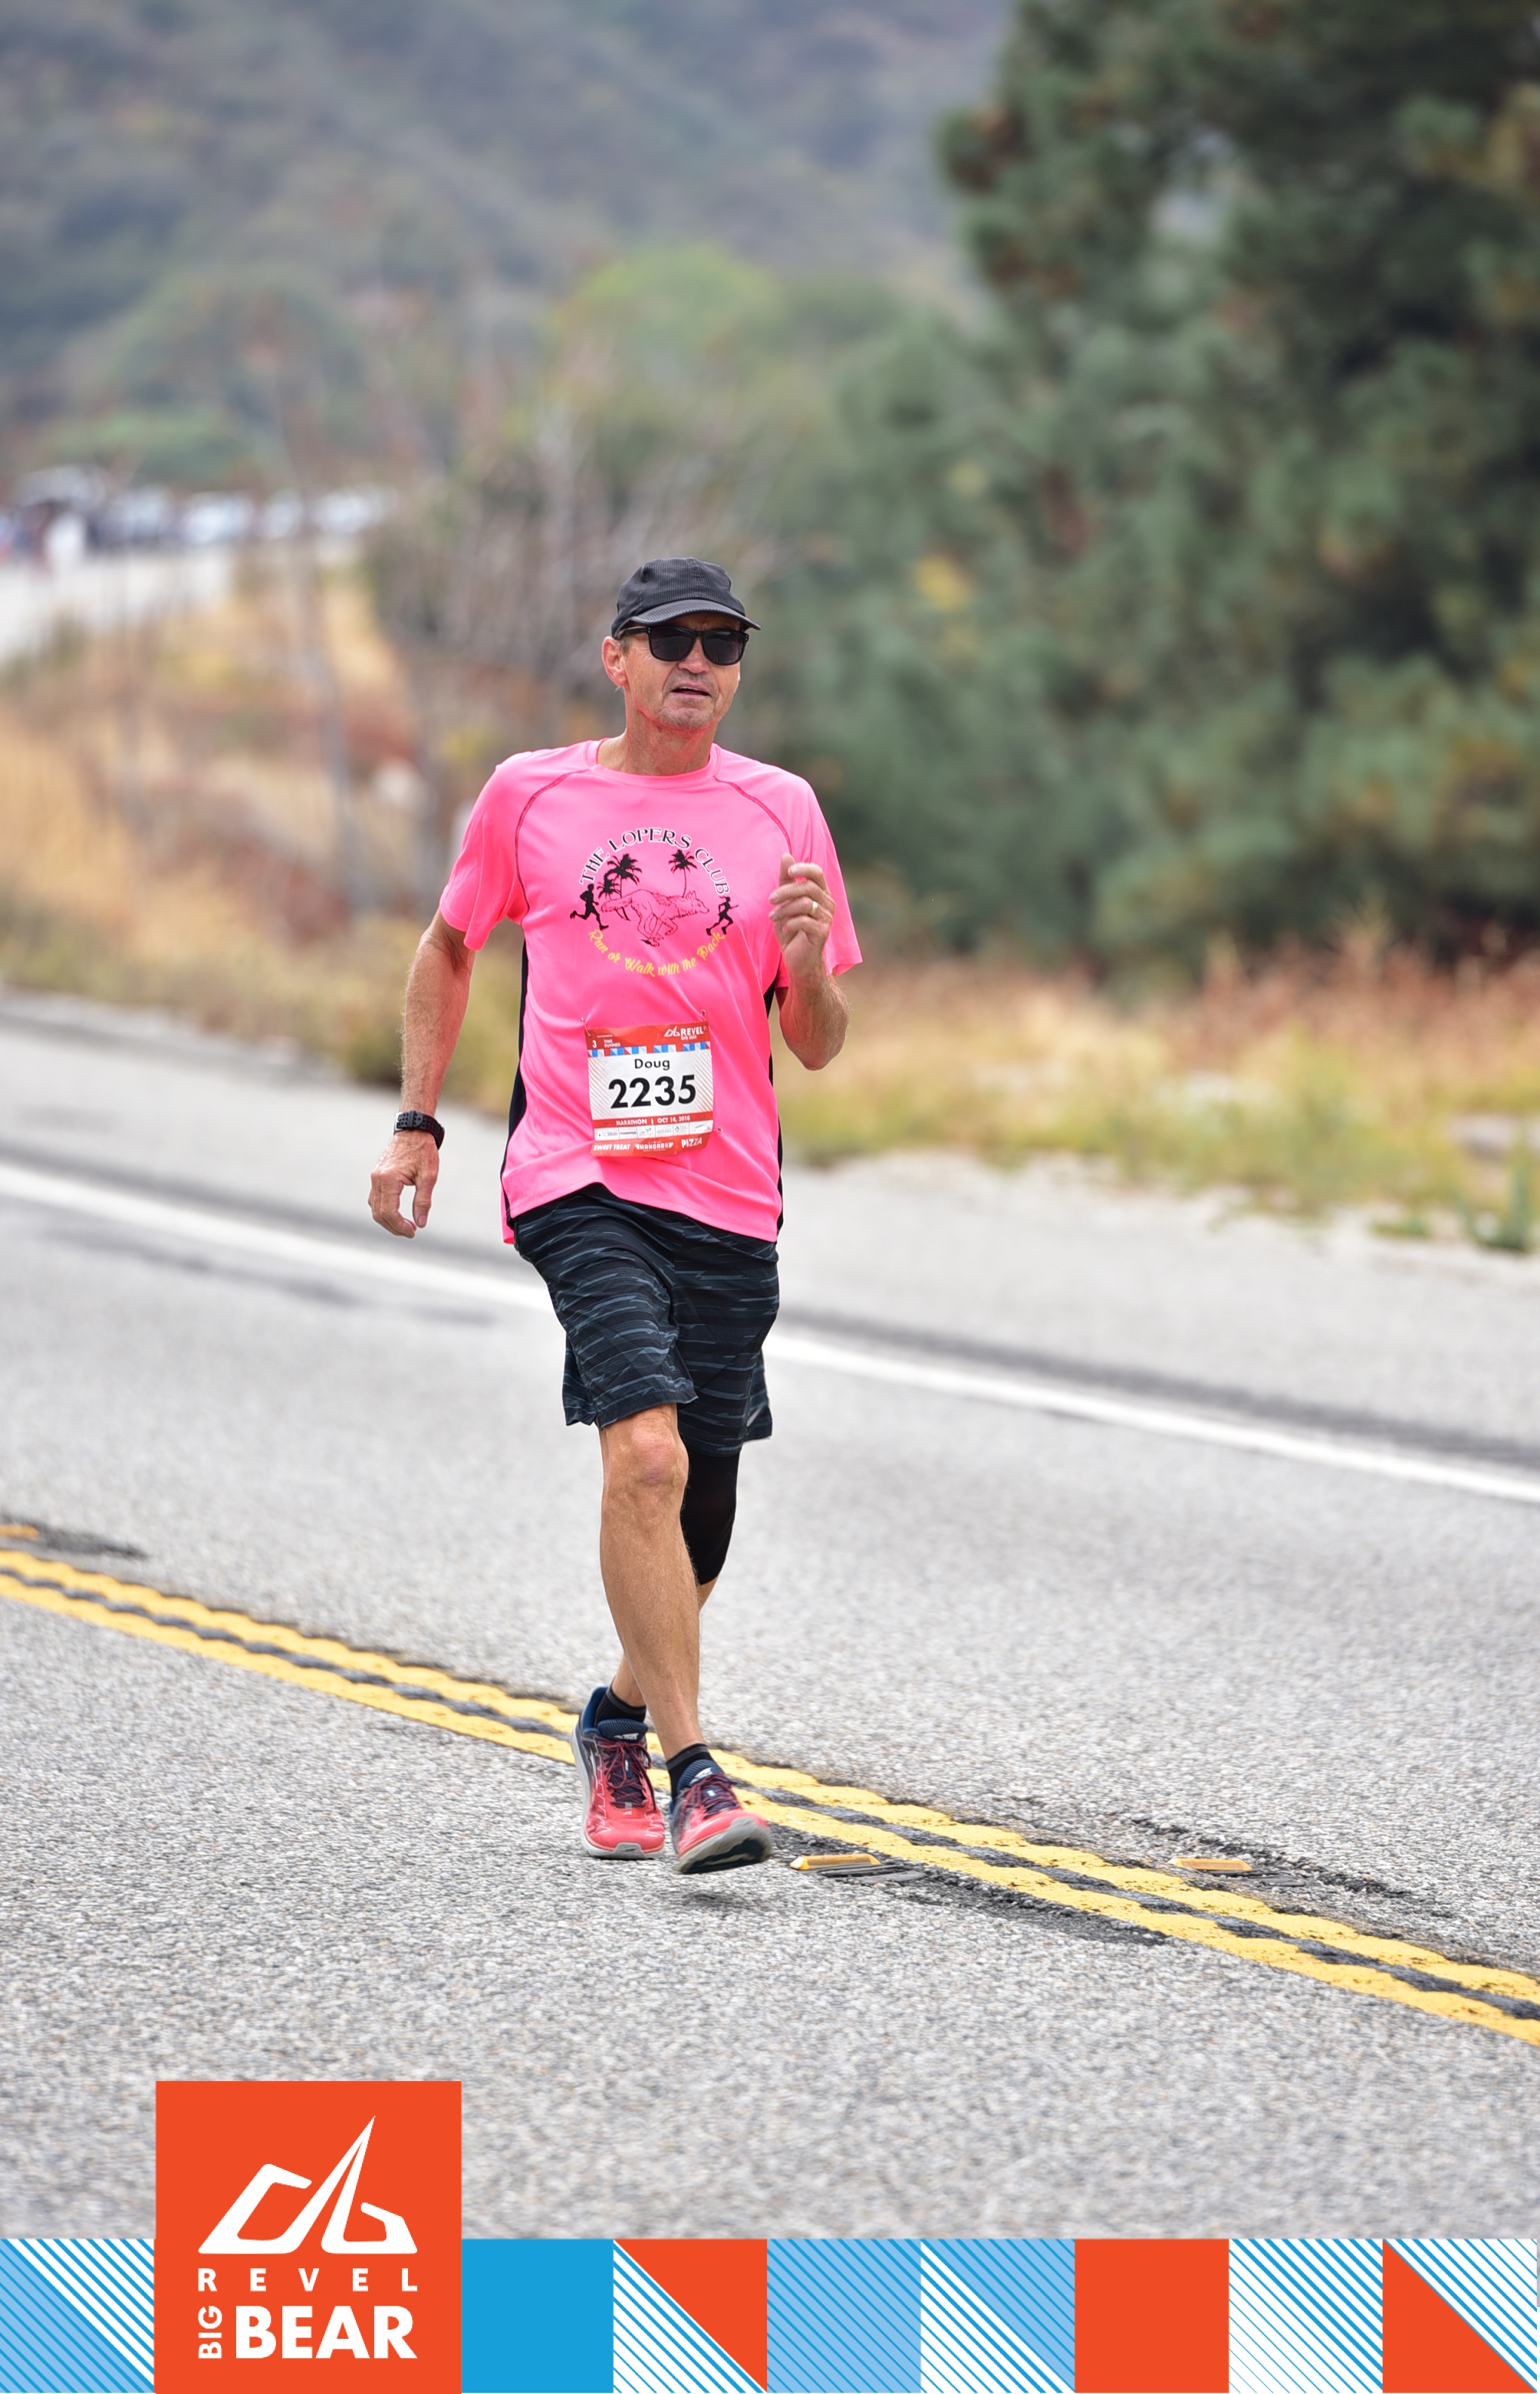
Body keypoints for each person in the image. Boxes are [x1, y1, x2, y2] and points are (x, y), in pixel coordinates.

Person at [368, 556, 860, 1874]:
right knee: (644, 1455)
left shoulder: (782, 810)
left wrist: (806, 962)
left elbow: (816, 1042)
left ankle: (620, 1717)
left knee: (699, 1521)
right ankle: (697, 1774)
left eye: (722, 642)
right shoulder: (531, 794)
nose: (697, 662)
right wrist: (418, 1121)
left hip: (730, 1194)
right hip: (578, 1176)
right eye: (670, 639)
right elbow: (449, 946)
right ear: (617, 657)